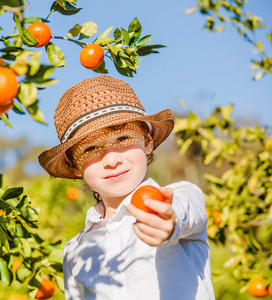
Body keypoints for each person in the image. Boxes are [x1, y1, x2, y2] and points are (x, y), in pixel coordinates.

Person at [38, 75, 215, 299]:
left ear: (148, 141)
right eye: (91, 149)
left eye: (122, 139)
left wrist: (167, 222)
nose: (111, 160)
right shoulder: (75, 251)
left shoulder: (180, 196)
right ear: (74, 167)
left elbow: (183, 212)